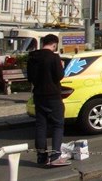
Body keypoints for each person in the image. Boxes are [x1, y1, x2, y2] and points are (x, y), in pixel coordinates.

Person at [26, 34, 71, 167]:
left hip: (38, 95)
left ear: (43, 43)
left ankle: (41, 157)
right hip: (53, 95)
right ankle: (55, 156)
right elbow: (59, 76)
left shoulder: (32, 57)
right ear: (54, 44)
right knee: (58, 125)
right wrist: (61, 66)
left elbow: (30, 78)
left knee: (41, 125)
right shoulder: (53, 57)